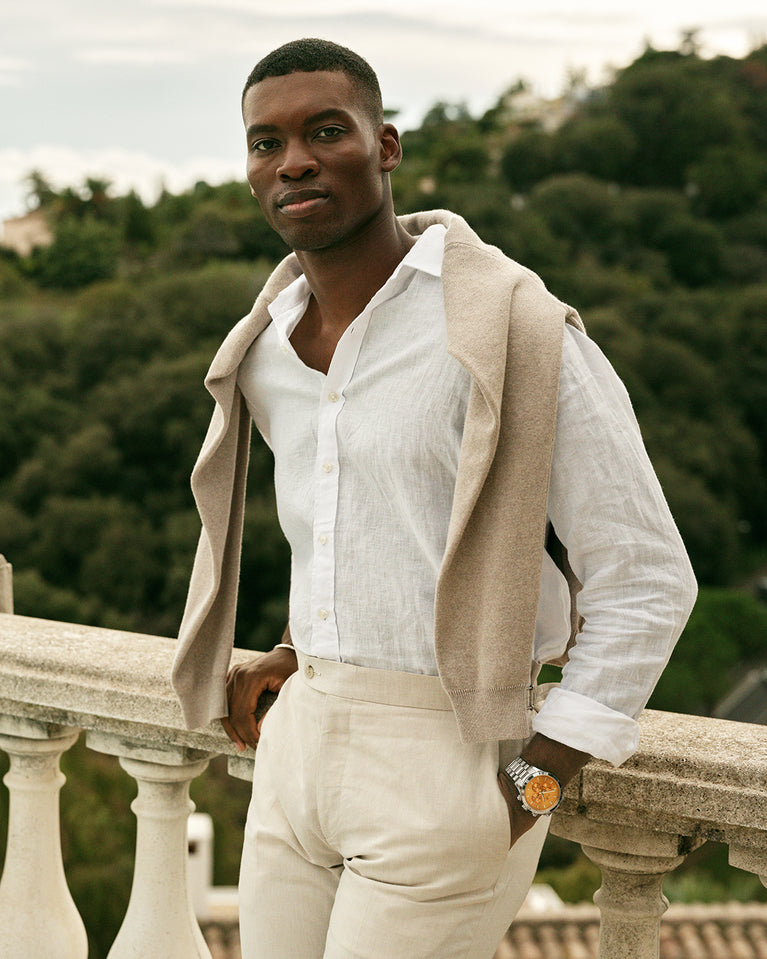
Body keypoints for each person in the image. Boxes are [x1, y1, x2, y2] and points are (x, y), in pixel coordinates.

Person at [171, 38, 697, 959]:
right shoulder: (264, 346)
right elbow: (370, 525)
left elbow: (648, 578)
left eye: (325, 131)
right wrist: (301, 648)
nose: (292, 159)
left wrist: (531, 789)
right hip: (296, 754)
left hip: (447, 757)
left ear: (384, 146)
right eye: (265, 143)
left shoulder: (509, 327)